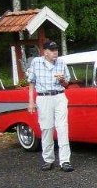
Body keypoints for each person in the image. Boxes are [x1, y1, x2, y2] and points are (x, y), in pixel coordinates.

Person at [27, 40, 73, 172]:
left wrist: (62, 80)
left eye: (56, 50)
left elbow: (66, 84)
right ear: (45, 52)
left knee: (62, 127)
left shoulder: (61, 63)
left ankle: (65, 161)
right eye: (52, 50)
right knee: (46, 128)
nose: (55, 53)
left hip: (59, 96)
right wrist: (31, 101)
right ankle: (48, 159)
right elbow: (31, 83)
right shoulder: (36, 62)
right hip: (43, 97)